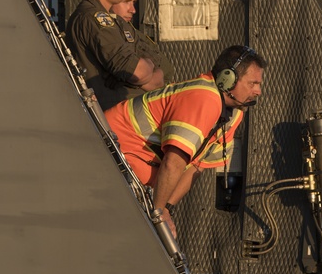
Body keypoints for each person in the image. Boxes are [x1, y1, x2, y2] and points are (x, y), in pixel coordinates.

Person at [105, 45, 266, 236]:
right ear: (228, 79)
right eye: (252, 83)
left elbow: (197, 167)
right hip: (107, 155)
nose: (258, 91)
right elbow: (173, 163)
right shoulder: (203, 98)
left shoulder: (234, 113)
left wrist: (166, 209)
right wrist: (157, 216)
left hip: (127, 170)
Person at [66, 0, 164, 110]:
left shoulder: (117, 21)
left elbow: (160, 75)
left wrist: (139, 69)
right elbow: (138, 72)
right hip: (113, 125)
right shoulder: (93, 19)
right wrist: (140, 71)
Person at [111, 0, 175, 83]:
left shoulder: (132, 31)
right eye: (126, 2)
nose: (133, 10)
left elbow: (166, 67)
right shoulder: (111, 32)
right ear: (111, 0)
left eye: (133, 3)